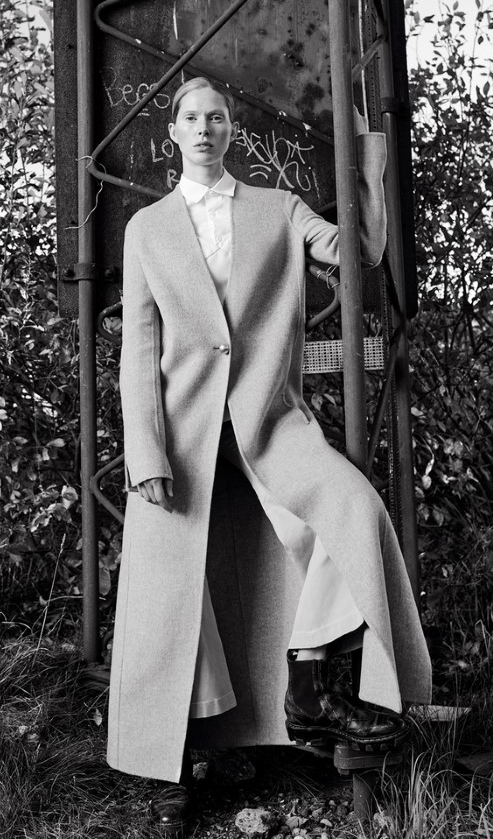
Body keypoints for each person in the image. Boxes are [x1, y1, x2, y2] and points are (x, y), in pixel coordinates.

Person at [107, 76, 431, 834]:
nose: (205, 128)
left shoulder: (278, 210)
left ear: (232, 130)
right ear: (174, 131)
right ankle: (176, 764)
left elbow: (361, 252)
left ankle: (310, 686)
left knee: (351, 509)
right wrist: (145, 451)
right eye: (192, 117)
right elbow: (139, 349)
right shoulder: (147, 228)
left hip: (269, 421)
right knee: (174, 592)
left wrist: (367, 159)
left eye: (218, 116)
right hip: (182, 436)